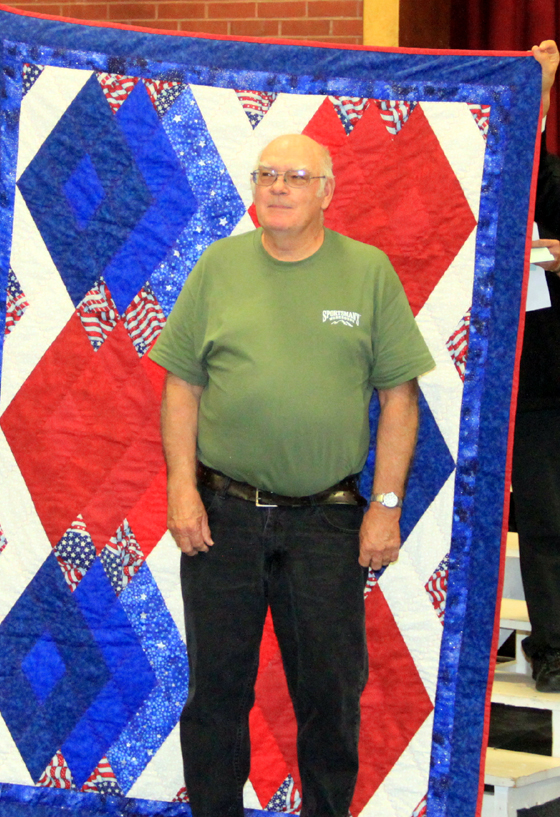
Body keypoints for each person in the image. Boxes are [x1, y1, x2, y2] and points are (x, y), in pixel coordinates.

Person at [149, 133, 434, 816]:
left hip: (327, 523)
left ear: (327, 192)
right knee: (215, 696)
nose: (278, 186)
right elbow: (182, 384)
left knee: (330, 696)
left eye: (297, 177)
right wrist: (181, 486)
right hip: (221, 518)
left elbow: (400, 398)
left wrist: (386, 505)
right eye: (267, 174)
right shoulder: (217, 267)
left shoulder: (367, 272)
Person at [513, 40, 560, 691]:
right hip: (538, 385)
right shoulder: (541, 183)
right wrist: (539, 95)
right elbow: (527, 176)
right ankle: (552, 648)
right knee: (547, 522)